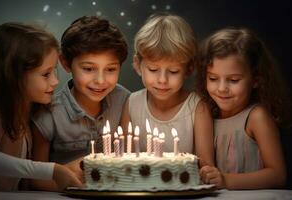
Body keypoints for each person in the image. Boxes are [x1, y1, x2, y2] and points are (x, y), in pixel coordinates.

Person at [31, 16, 130, 190]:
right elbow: (35, 180)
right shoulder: (48, 113)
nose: (100, 80)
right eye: (88, 69)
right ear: (66, 63)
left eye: (111, 69)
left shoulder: (125, 100)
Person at [0, 22, 83, 191]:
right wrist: (52, 170)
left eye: (54, 71)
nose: (55, 81)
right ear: (14, 75)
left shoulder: (30, 114)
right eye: (46, 74)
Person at [196, 28, 289, 189]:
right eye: (213, 78)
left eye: (233, 80)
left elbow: (278, 175)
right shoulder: (206, 115)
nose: (222, 88)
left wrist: (226, 180)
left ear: (255, 80)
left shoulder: (256, 117)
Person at [120, 13, 214, 167]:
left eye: (174, 71)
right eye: (153, 69)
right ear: (138, 65)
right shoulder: (132, 104)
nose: (162, 80)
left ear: (189, 69)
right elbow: (123, 161)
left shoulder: (198, 108)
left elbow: (206, 165)